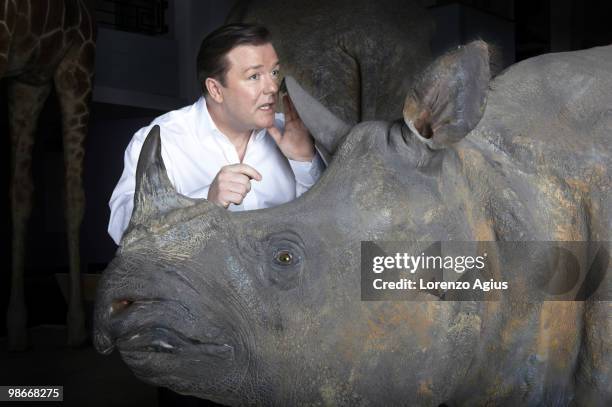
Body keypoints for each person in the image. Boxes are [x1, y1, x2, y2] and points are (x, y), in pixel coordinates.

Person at [107, 24, 325, 244]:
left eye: (274, 72)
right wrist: (204, 204)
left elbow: (324, 224)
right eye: (254, 76)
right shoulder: (162, 139)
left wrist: (305, 162)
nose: (272, 87)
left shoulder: (292, 133)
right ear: (216, 90)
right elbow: (123, 229)